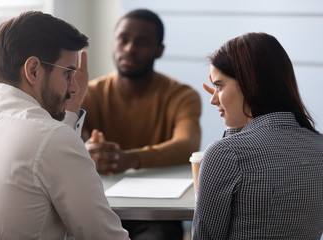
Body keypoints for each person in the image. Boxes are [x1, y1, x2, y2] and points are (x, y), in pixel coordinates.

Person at [0, 11, 129, 240]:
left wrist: (70, 108)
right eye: (69, 74)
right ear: (33, 70)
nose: (75, 88)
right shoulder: (52, 138)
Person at [82, 9, 201, 240]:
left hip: (158, 214)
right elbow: (62, 136)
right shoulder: (90, 94)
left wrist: (130, 159)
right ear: (113, 42)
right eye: (123, 39)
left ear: (159, 51)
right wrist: (86, 152)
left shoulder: (182, 95)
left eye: (142, 42)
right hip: (100, 206)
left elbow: (187, 144)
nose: (129, 48)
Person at [192, 32, 323, 239]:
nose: (213, 100)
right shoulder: (319, 147)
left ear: (248, 83)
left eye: (219, 85)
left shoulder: (225, 154)